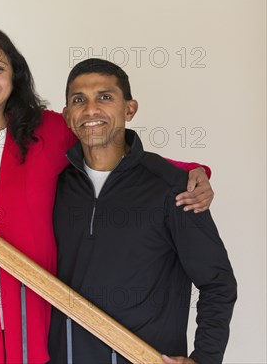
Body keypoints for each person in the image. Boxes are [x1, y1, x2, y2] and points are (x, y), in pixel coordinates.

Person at [0, 28, 215, 364]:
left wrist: (192, 169)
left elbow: (113, 149)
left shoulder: (48, 131)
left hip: (39, 307)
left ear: (15, 76)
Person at [49, 58, 236, 364]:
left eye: (105, 97)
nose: (91, 110)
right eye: (79, 100)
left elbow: (217, 282)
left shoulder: (173, 188)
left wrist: (204, 358)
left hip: (146, 358)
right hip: (66, 356)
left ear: (130, 109)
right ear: (68, 116)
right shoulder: (56, 186)